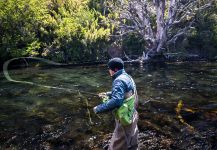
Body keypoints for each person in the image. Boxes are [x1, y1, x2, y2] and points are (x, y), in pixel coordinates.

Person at [93, 57, 139, 150]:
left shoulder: (118, 80)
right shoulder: (127, 76)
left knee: (116, 145)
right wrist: (107, 94)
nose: (109, 71)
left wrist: (98, 108)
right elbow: (125, 92)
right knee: (132, 142)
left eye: (109, 69)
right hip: (132, 114)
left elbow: (116, 101)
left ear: (115, 69)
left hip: (124, 117)